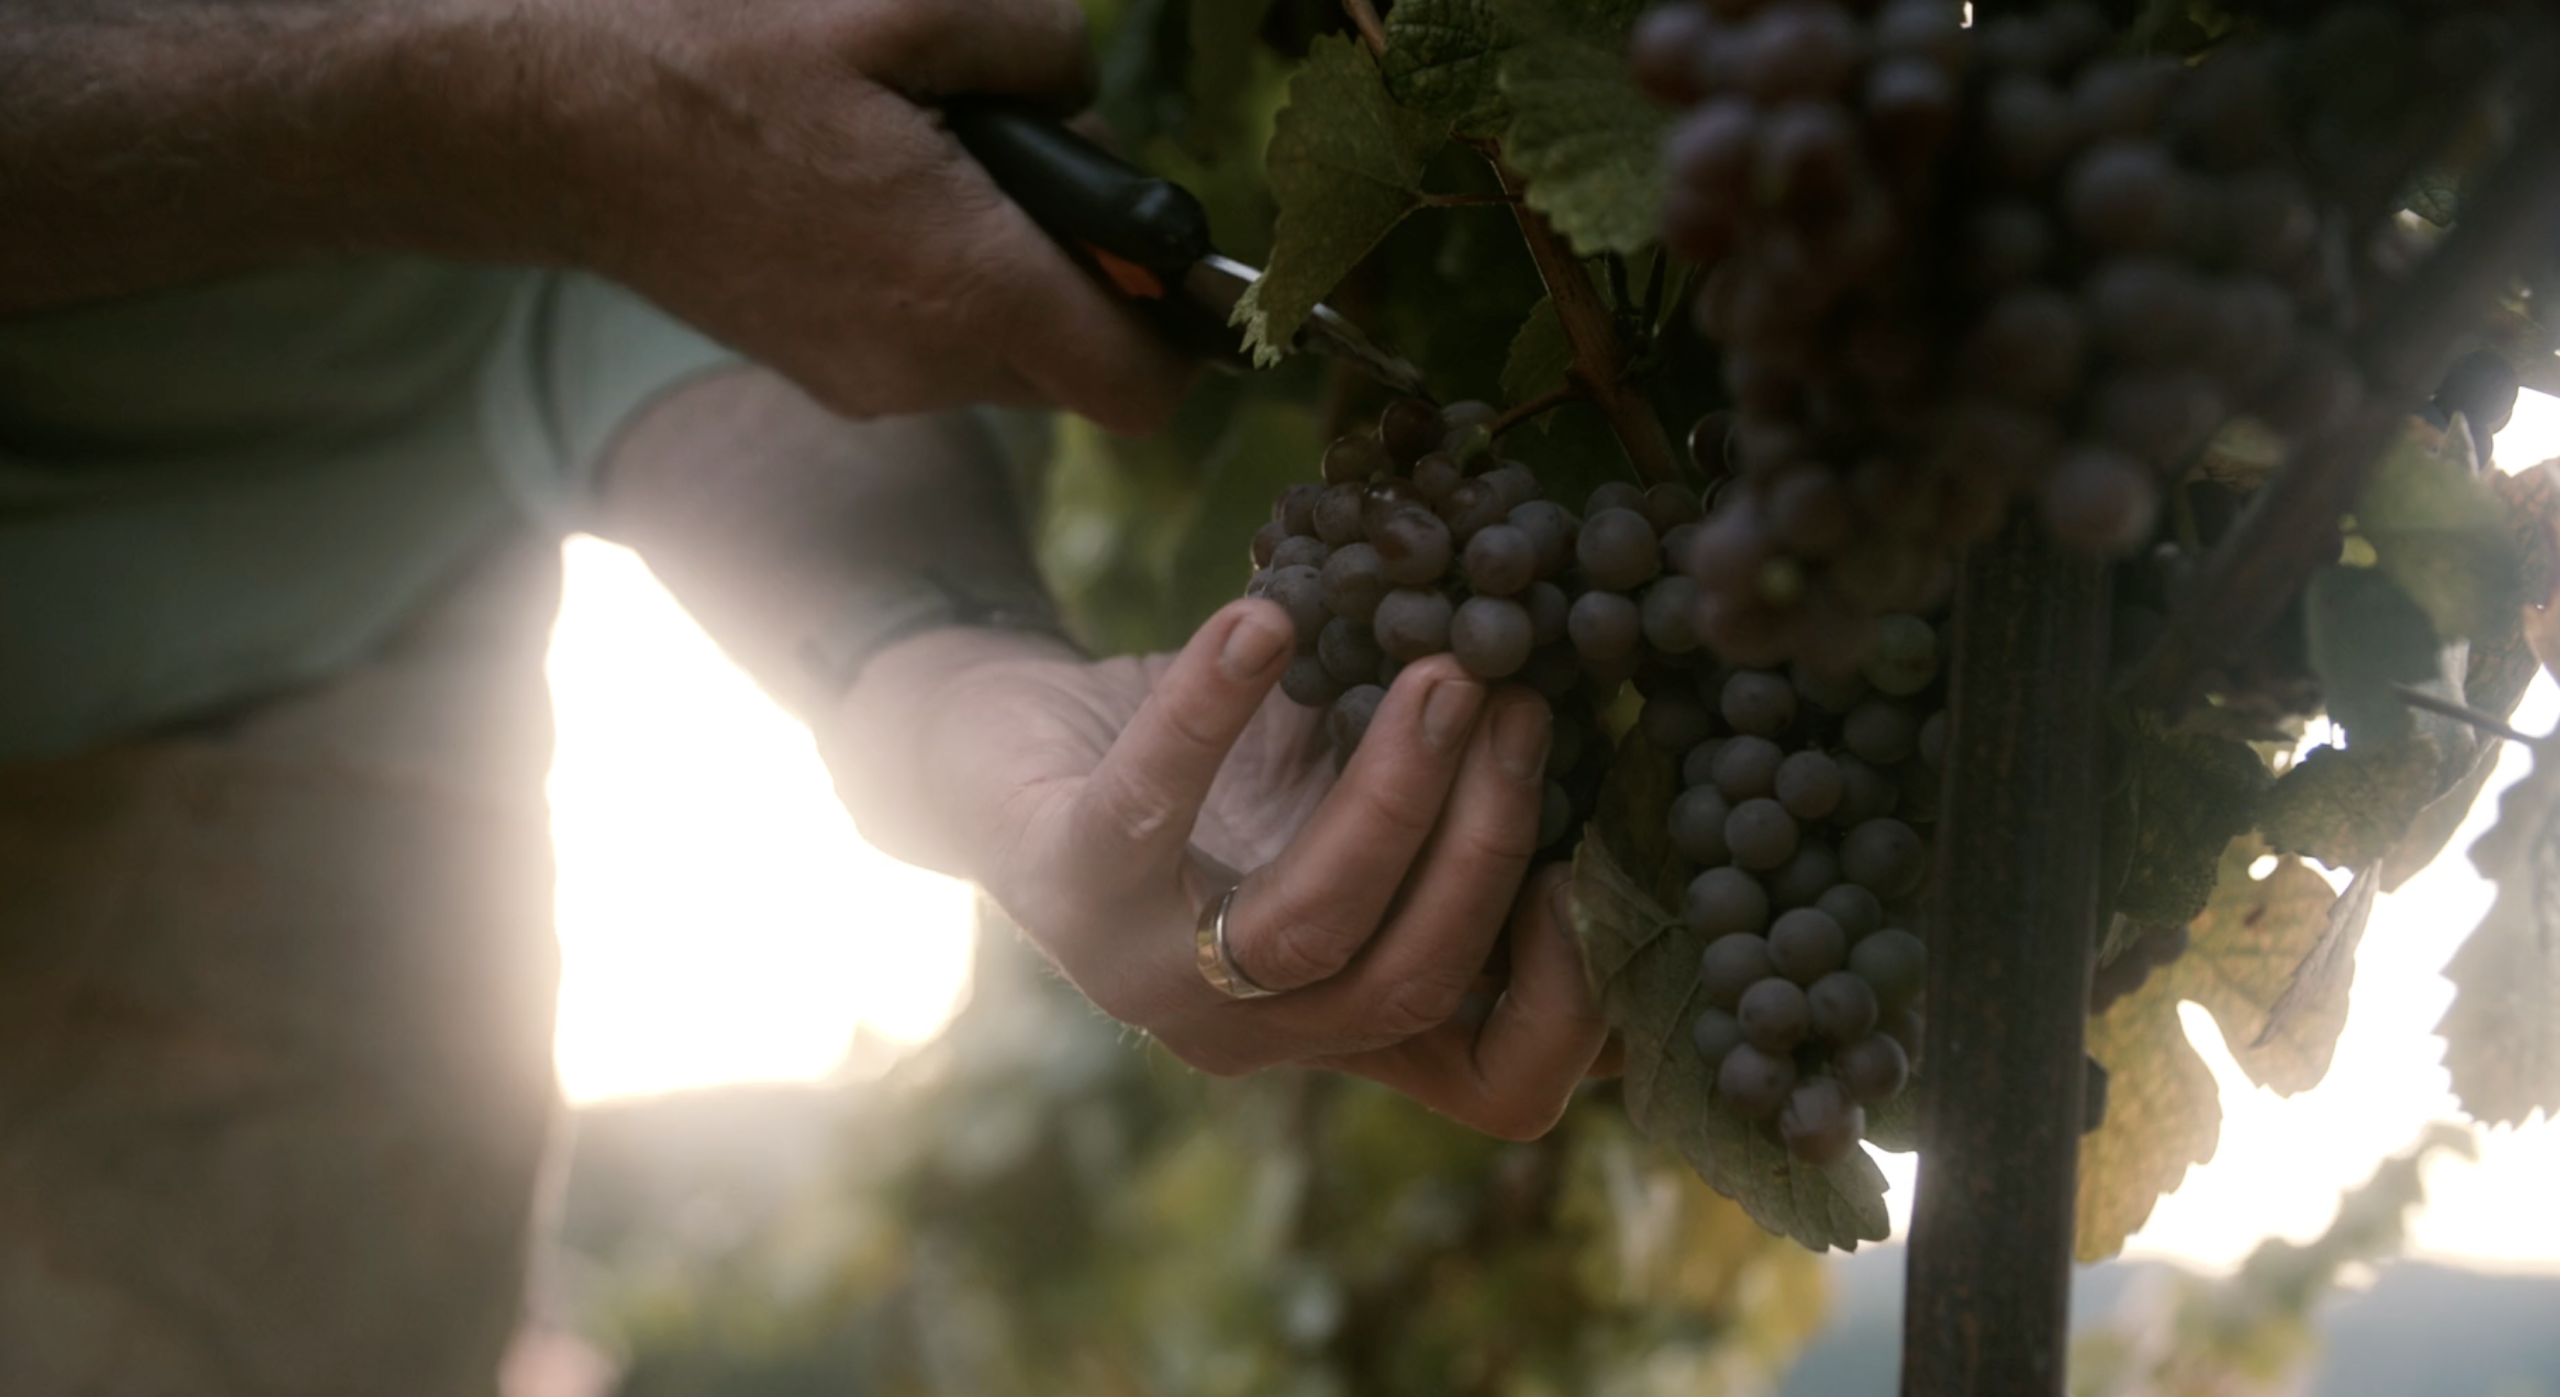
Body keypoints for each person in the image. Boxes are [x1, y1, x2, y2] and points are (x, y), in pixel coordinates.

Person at [0, 2, 1609, 1393]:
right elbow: (591, 115)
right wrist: (518, 105)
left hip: (321, 650)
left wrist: (936, 660)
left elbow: (629, 254)